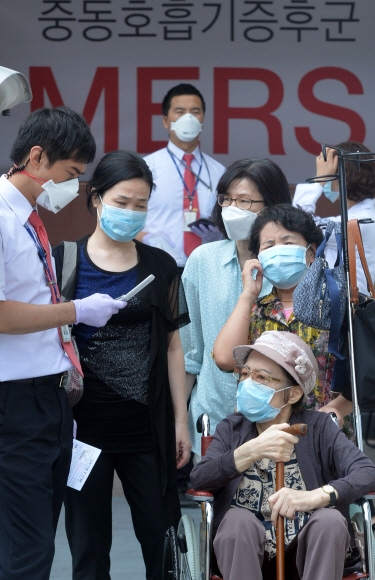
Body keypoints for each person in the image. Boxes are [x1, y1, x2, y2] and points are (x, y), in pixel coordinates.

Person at [0, 107, 126, 580]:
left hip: (48, 397)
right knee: (27, 552)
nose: (74, 188)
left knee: (34, 544)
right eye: (71, 174)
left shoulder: (28, 218)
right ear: (36, 157)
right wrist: (76, 311)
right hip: (15, 400)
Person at [53, 150, 191, 580]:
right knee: (89, 552)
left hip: (147, 431)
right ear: (95, 198)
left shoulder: (161, 266)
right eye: (122, 202)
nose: (131, 212)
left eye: (141, 204)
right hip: (81, 433)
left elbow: (172, 348)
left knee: (162, 544)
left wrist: (181, 422)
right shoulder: (62, 262)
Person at [190, 330, 375, 580]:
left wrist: (314, 497)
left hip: (307, 555)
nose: (247, 383)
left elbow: (366, 472)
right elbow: (200, 478)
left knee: (329, 521)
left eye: (261, 377)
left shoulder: (318, 428)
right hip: (243, 555)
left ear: (294, 393)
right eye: (245, 374)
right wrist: (251, 450)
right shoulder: (231, 428)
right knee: (236, 521)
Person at [180, 158, 292, 458]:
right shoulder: (202, 260)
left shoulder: (291, 268)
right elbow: (190, 353)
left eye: (244, 201)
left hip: (280, 423)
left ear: (272, 206)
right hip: (213, 419)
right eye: (226, 199)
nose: (231, 208)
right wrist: (178, 419)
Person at [213, 204, 352, 419]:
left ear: (312, 253)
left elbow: (365, 372)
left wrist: (339, 408)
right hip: (264, 433)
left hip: (326, 433)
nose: (278, 250)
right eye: (268, 246)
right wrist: (247, 295)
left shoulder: (337, 306)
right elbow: (224, 359)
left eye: (287, 243)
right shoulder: (256, 310)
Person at [138, 83, 225, 270]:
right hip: (156, 266)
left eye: (195, 111)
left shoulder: (220, 173)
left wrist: (221, 235)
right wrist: (146, 238)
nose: (188, 117)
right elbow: (121, 220)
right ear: (165, 120)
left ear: (203, 119)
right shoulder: (145, 168)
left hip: (207, 268)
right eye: (180, 111)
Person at [293, 141, 375, 294]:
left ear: (343, 176)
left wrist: (319, 179)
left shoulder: (359, 220)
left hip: (352, 311)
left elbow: (296, 224)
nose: (327, 183)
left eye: (331, 174)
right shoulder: (367, 213)